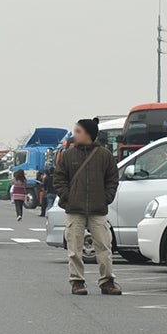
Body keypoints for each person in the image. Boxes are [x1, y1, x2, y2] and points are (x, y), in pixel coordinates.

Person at [53, 118, 121, 295]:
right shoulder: (68, 155)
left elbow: (113, 179)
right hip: (75, 209)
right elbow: (59, 179)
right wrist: (68, 198)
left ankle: (107, 281)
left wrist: (106, 198)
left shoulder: (104, 155)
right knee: (74, 249)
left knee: (104, 247)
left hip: (98, 209)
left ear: (89, 134)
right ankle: (77, 282)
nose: (75, 135)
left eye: (78, 131)